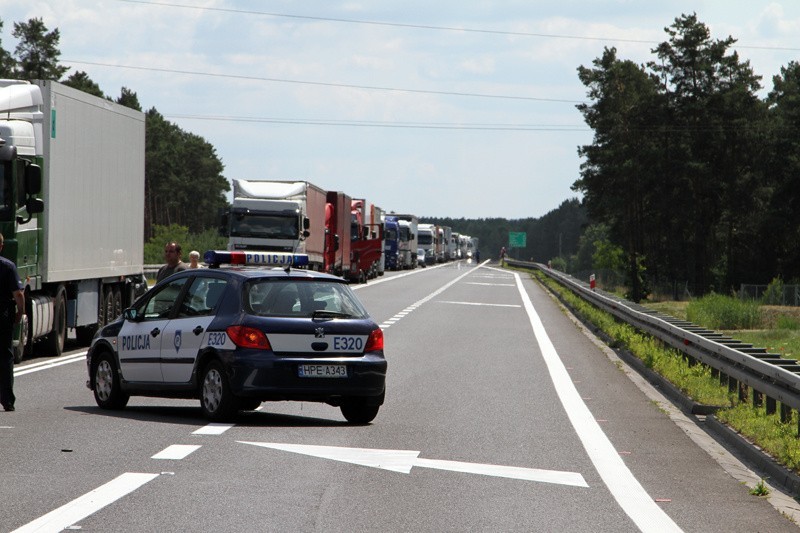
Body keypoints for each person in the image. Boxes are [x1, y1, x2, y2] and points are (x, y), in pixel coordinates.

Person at [0, 233, 25, 412]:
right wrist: (20, 312)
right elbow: (18, 294)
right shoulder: (8, 267)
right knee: (5, 356)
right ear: (1, 246)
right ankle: (7, 400)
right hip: (2, 317)